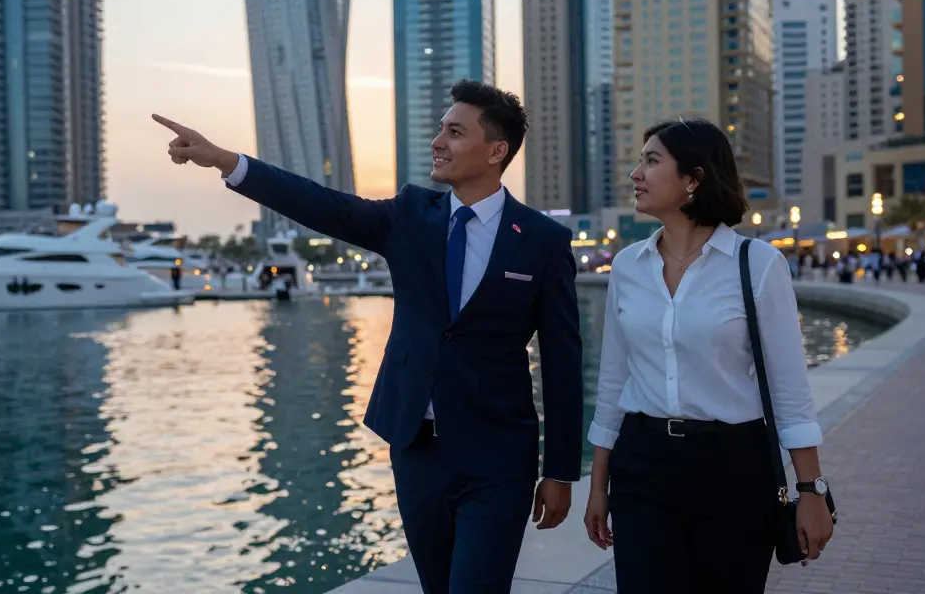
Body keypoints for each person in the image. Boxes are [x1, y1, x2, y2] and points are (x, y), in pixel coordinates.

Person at [153, 80, 584, 593]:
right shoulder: (408, 216)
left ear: (496, 151)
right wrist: (226, 161)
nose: (437, 141)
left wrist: (560, 471)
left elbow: (562, 362)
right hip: (416, 449)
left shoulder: (541, 239)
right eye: (440, 129)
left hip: (497, 456)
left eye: (454, 131)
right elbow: (321, 204)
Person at [582, 118, 833, 593]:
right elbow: (614, 382)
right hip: (643, 466)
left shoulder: (758, 265)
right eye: (640, 160)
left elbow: (789, 390)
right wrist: (598, 485)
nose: (636, 173)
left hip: (733, 467)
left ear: (693, 180)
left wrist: (811, 490)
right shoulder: (628, 267)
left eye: (652, 161)